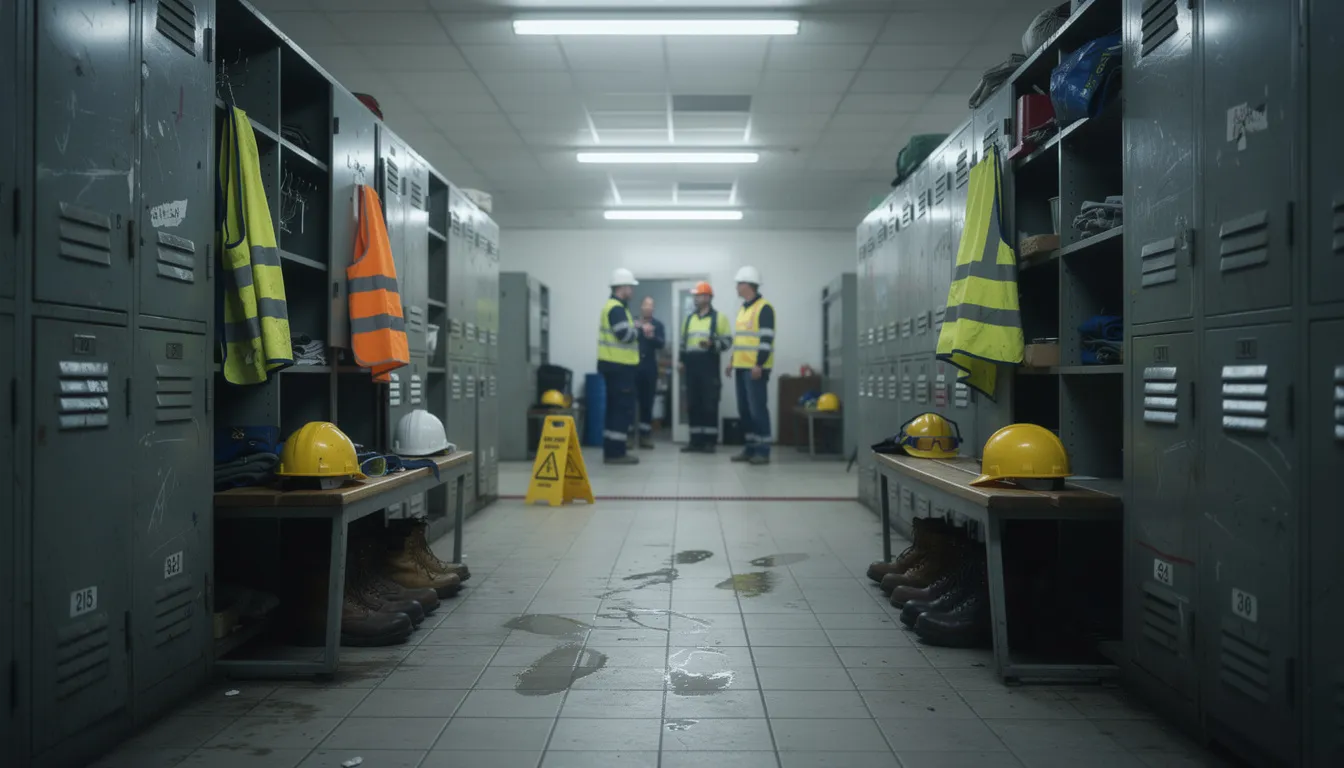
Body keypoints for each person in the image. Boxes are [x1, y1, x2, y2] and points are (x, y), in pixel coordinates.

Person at [727, 265, 774, 465]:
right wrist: (731, 361)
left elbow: (766, 339)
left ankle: (763, 451)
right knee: (744, 410)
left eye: (739, 284)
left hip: (755, 369)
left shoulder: (764, 308)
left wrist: (759, 364)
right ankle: (750, 447)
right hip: (741, 367)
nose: (736, 287)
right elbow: (741, 341)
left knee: (758, 410)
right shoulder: (743, 310)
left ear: (747, 285)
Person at [679, 281, 731, 453]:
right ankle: (695, 441)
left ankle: (709, 442)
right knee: (693, 403)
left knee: (709, 403)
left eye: (699, 295)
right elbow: (682, 343)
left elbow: (727, 341)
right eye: (695, 295)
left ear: (708, 297)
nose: (696, 298)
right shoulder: (689, 319)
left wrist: (712, 343)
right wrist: (681, 361)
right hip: (692, 367)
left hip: (709, 366)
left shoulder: (719, 318)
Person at [597, 268, 641, 465]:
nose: (632, 290)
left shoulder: (615, 307)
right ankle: (616, 453)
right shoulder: (616, 308)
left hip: (615, 366)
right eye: (630, 287)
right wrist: (639, 329)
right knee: (621, 410)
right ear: (622, 287)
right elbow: (624, 335)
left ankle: (612, 450)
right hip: (619, 367)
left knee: (615, 409)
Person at [634, 296, 665, 449]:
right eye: (645, 305)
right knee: (630, 403)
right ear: (641, 307)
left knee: (647, 403)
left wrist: (651, 336)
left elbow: (661, 343)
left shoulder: (658, 325)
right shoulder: (634, 323)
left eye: (651, 305)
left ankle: (645, 436)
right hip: (633, 367)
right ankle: (628, 437)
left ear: (653, 309)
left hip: (649, 369)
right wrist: (638, 328)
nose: (648, 308)